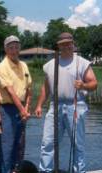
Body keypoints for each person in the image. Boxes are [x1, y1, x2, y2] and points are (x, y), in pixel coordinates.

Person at [34, 32, 98, 173]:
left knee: (77, 144)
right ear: (58, 46)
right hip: (54, 106)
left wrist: (83, 85)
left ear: (73, 44)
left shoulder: (81, 62)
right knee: (48, 143)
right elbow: (46, 87)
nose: (66, 46)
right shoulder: (50, 65)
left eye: (69, 43)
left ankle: (78, 171)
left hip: (76, 105)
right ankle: (45, 170)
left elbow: (94, 83)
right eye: (63, 44)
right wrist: (39, 105)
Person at [0, 35, 32, 173]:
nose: (14, 50)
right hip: (7, 110)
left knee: (20, 145)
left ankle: (16, 171)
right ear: (6, 49)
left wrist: (26, 108)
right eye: (11, 47)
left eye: (16, 47)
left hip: (22, 109)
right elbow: (10, 92)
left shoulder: (24, 65)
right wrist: (23, 110)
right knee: (7, 146)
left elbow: (29, 89)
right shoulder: (2, 66)